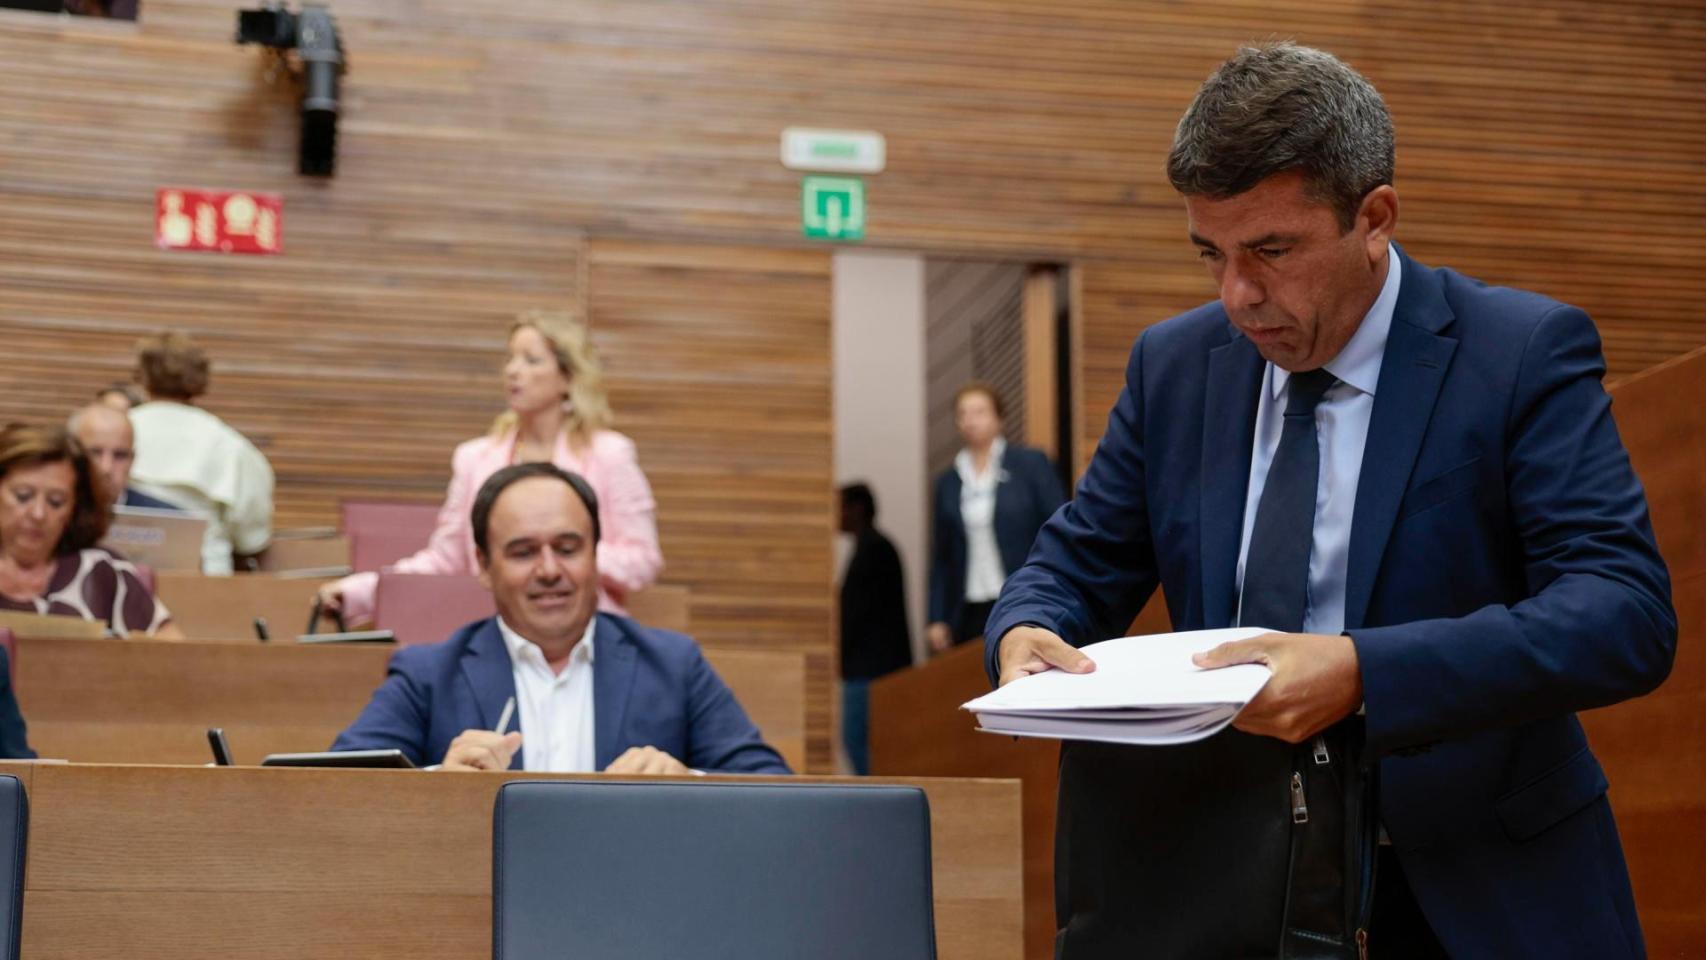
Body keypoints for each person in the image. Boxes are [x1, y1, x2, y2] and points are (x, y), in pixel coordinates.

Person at [985, 43, 1675, 959]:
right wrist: (1025, 625)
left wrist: (1362, 674)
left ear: (1374, 216)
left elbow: (1621, 616)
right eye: (1212, 254)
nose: (1237, 295)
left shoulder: (1519, 354)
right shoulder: (1176, 367)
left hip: (1472, 890)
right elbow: (1077, 561)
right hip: (1227, 881)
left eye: (1271, 251)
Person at [332, 462, 786, 774]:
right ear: (484, 567)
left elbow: (775, 788)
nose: (550, 570)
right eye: (523, 552)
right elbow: (331, 786)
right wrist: (437, 783)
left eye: (568, 548)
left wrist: (689, 781)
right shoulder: (429, 674)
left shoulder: (673, 665)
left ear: (595, 555)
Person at [319, 310, 662, 625]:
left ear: (567, 378)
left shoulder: (609, 454)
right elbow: (446, 560)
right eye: (510, 358)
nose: (513, 370)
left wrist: (560, 556)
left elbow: (642, 561)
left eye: (531, 360)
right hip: (490, 629)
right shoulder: (475, 459)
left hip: (587, 630)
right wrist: (364, 590)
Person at [0, 423, 180, 638]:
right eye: (23, 496)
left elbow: (174, 655)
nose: (38, 514)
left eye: (56, 502)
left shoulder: (103, 569)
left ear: (75, 508)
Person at [927, 382, 1063, 653]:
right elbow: (941, 556)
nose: (970, 420)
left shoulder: (1030, 465)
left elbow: (1056, 527)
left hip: (1022, 594)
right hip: (968, 606)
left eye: (979, 412)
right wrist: (936, 617)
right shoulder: (949, 481)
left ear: (1000, 418)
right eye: (963, 413)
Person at [128, 332, 275, 575]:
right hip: (204, 580)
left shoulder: (112, 437)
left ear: (142, 376)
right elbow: (252, 538)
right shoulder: (228, 444)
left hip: (122, 577)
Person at [836, 482, 911, 775]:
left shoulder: (875, 549)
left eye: (840, 507)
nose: (836, 515)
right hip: (868, 667)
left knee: (860, 740)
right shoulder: (871, 547)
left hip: (873, 669)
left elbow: (861, 614)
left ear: (856, 509)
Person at [67, 403, 179, 511]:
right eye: (95, 453)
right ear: (72, 455)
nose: (106, 468)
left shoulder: (170, 519)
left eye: (120, 456)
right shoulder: (52, 514)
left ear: (132, 460)